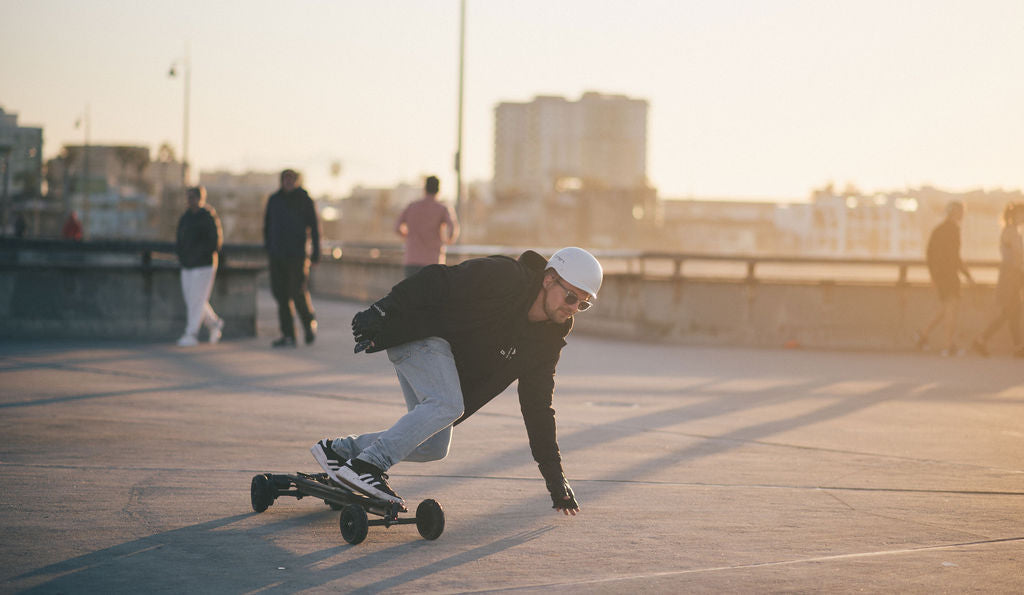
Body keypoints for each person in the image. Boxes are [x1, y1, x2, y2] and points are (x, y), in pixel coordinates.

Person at [311, 247, 603, 516]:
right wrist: (383, 310)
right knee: (448, 404)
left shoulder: (547, 340)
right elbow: (436, 279)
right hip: (418, 332)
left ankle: (339, 453)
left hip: (443, 355)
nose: (574, 308)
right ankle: (367, 466)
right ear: (549, 279)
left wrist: (555, 478)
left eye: (583, 304)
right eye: (571, 297)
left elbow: (538, 407)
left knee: (434, 446)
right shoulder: (506, 277)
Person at [264, 169, 321, 347]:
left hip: (297, 255)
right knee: (281, 296)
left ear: (297, 181)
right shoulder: (274, 200)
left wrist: (316, 253)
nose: (288, 182)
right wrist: (269, 247)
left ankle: (308, 324)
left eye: (291, 179)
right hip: (277, 255)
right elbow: (267, 225)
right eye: (285, 179)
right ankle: (288, 335)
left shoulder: (304, 200)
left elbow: (315, 228)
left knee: (297, 293)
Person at [915, 200, 975, 356]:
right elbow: (955, 256)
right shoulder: (953, 230)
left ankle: (923, 334)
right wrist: (968, 275)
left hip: (940, 275)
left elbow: (930, 254)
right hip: (949, 275)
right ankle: (948, 345)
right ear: (954, 213)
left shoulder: (939, 229)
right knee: (951, 310)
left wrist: (933, 275)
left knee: (945, 309)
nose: (963, 214)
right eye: (961, 211)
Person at [970, 203, 1023, 357]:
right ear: (1014, 215)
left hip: (1012, 275)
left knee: (1014, 311)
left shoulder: (1011, 231)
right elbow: (1018, 256)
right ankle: (981, 339)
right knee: (1009, 311)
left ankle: (1018, 347)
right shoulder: (1011, 232)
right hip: (1011, 276)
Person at [175, 186, 224, 347]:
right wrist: (183, 256)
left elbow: (215, 241)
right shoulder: (185, 218)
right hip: (187, 264)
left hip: (204, 265)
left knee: (197, 299)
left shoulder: (208, 216)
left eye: (192, 197)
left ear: (200, 198)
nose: (189, 201)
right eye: (188, 197)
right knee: (193, 299)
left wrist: (200, 254)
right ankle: (214, 323)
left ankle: (191, 334)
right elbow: (180, 240)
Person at [394, 175, 459, 278]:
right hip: (433, 260)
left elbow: (397, 227)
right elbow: (453, 230)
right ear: (438, 190)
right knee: (433, 293)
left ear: (425, 189)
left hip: (412, 259)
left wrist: (408, 236)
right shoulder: (442, 208)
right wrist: (447, 241)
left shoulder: (412, 206)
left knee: (412, 293)